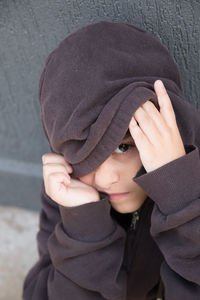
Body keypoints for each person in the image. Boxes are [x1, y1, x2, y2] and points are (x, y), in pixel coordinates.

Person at [22, 21, 200, 300]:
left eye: (122, 146)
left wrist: (181, 197)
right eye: (86, 153)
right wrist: (82, 229)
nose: (105, 178)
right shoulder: (67, 186)